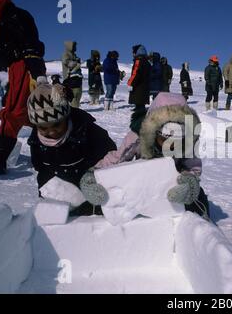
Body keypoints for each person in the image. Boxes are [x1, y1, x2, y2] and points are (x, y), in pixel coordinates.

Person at [84, 92, 210, 220]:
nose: (170, 145)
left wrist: (189, 182)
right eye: (165, 139)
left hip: (172, 188)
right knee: (102, 202)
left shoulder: (187, 143)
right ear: (155, 131)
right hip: (142, 185)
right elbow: (116, 158)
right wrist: (93, 175)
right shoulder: (138, 137)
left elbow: (192, 167)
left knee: (198, 199)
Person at [27, 82, 116, 216]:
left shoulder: (87, 131)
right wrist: (46, 194)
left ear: (66, 116)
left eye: (56, 124)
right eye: (43, 128)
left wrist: (93, 176)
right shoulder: (36, 142)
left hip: (93, 199)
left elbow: (111, 156)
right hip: (62, 204)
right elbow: (42, 171)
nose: (51, 132)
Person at [0, 0, 46, 175]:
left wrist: (36, 72)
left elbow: (31, 44)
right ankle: (42, 155)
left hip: (24, 66)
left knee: (15, 113)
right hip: (15, 68)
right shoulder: (2, 20)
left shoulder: (16, 17)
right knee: (29, 113)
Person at [128, 44, 151, 112]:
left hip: (138, 85)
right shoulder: (147, 62)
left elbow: (135, 73)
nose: (133, 54)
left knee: (138, 96)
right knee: (142, 98)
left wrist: (130, 83)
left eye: (133, 52)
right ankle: (140, 107)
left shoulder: (138, 61)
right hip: (145, 84)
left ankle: (139, 108)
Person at [62, 41, 83, 108]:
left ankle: (75, 108)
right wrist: (76, 63)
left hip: (77, 78)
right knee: (73, 95)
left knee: (78, 94)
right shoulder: (65, 55)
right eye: (74, 46)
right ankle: (74, 110)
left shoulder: (74, 55)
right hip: (70, 79)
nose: (75, 47)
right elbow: (67, 62)